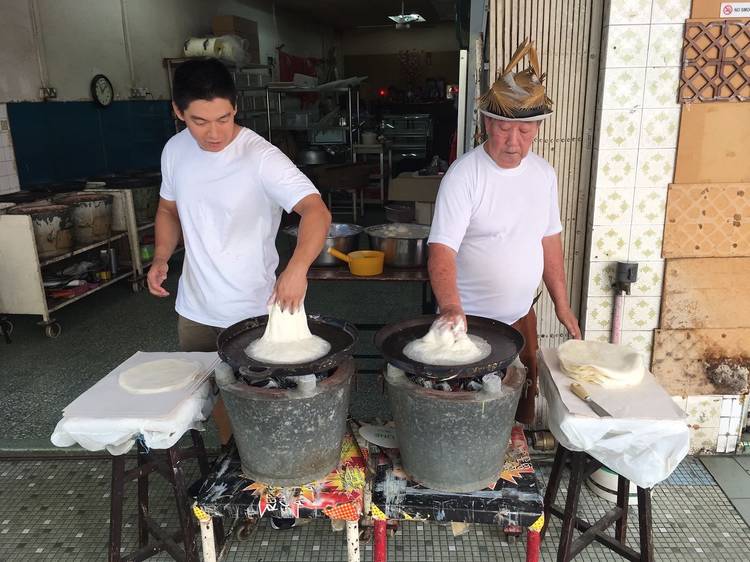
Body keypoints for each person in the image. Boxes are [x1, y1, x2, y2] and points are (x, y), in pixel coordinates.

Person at [147, 58, 331, 445]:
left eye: (224, 118)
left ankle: (266, 470)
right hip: (195, 310)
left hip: (250, 312)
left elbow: (315, 210)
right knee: (210, 395)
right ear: (178, 112)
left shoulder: (261, 158)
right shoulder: (175, 150)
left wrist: (297, 269)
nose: (214, 133)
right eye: (199, 121)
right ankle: (233, 464)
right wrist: (162, 256)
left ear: (235, 107)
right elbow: (168, 209)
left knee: (260, 403)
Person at [427, 39, 581, 423]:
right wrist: (450, 308)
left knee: (515, 404)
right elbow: (441, 250)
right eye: (504, 129)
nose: (514, 142)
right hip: (469, 322)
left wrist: (562, 305)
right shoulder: (464, 176)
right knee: (466, 412)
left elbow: (550, 240)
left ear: (537, 130)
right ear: (487, 124)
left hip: (520, 317)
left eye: (525, 131)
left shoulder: (543, 174)